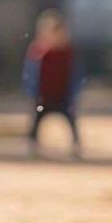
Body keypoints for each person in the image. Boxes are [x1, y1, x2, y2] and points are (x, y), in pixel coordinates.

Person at [22, 9, 83, 157]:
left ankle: (76, 146)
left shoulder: (68, 54)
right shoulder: (39, 53)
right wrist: (33, 93)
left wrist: (74, 93)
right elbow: (31, 75)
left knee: (71, 121)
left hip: (62, 97)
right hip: (44, 97)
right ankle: (32, 145)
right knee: (37, 121)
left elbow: (75, 75)